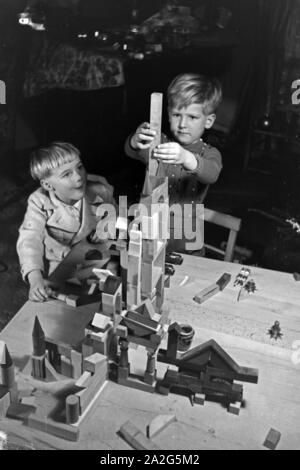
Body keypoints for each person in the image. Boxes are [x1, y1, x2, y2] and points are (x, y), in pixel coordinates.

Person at [125, 73, 223, 254]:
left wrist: (187, 158)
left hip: (186, 242)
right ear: (168, 114)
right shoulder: (158, 142)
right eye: (177, 115)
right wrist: (135, 140)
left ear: (208, 121)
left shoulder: (209, 153)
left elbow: (211, 174)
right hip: (150, 235)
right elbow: (132, 151)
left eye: (192, 117)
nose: (182, 124)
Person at [17, 141, 114, 302]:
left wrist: (107, 225)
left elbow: (113, 212)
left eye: (80, 167)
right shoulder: (39, 201)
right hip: (62, 264)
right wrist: (35, 279)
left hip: (97, 256)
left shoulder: (100, 189)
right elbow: (29, 240)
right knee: (57, 306)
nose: (78, 177)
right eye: (66, 174)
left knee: (107, 300)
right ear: (47, 185)